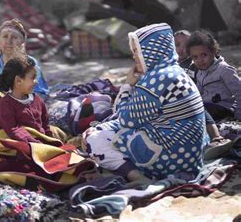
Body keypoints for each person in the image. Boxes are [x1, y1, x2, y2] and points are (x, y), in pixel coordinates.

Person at [82, 23, 208, 182]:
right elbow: (134, 116)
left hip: (173, 160)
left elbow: (124, 119)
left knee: (94, 140)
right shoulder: (173, 71)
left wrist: (128, 85)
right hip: (189, 157)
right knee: (101, 128)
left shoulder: (158, 78)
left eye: (137, 51)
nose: (134, 56)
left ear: (151, 51)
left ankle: (139, 178)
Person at [174, 30, 231, 156]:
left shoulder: (204, 65)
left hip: (217, 105)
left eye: (203, 55)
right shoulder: (179, 66)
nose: (181, 49)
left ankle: (217, 138)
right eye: (177, 44)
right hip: (198, 103)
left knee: (196, 109)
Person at [0, 56, 53, 143]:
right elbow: (14, 130)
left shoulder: (37, 100)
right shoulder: (5, 105)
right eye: (33, 78)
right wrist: (36, 144)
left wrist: (50, 141)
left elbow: (45, 125)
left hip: (40, 142)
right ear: (18, 81)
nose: (36, 81)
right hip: (18, 144)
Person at [186, 30, 241, 121]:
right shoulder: (200, 72)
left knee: (199, 113)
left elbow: (239, 91)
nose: (199, 60)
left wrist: (238, 114)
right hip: (206, 106)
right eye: (195, 57)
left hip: (223, 107)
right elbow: (198, 93)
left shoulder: (224, 69)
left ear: (213, 51)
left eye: (203, 55)